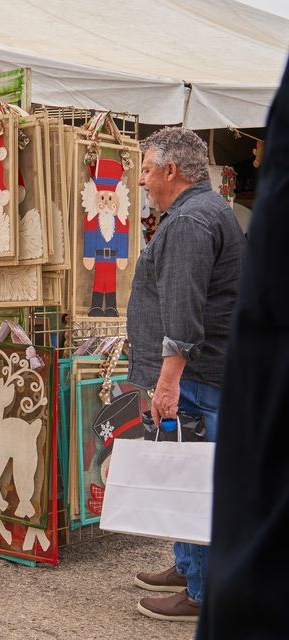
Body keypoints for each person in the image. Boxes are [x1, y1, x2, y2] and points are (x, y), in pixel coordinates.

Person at [126, 127, 246, 621]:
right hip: (207, 371)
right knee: (186, 469)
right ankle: (188, 565)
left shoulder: (192, 220)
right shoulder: (202, 212)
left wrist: (168, 381)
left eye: (147, 169)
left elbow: (184, 310)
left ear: (171, 171)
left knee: (195, 477)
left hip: (197, 375)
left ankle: (202, 592)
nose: (141, 180)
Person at [196, 63, 289, 638]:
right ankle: (192, 571)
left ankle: (195, 575)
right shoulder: (220, 215)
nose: (256, 159)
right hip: (224, 355)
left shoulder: (195, 221)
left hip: (211, 359)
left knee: (200, 466)